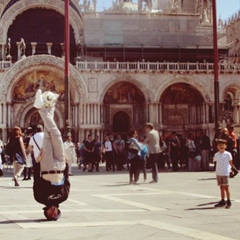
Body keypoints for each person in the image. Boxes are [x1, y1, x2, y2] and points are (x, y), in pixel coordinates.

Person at [33, 89, 70, 221]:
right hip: (60, 164)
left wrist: (37, 162)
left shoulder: (40, 198)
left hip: (46, 165)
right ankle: (49, 106)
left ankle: (44, 108)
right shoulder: (64, 197)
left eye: (50, 214)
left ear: (46, 212)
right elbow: (67, 179)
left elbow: (36, 180)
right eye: (56, 214)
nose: (53, 212)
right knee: (56, 135)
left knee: (48, 136)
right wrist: (67, 163)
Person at [213, 139, 234, 209]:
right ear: (217, 147)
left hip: (225, 172)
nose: (221, 146)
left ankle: (228, 200)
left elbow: (231, 163)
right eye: (219, 145)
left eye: (223, 145)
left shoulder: (228, 154)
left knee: (226, 187)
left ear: (226, 146)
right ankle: (222, 200)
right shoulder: (216, 154)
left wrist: (231, 170)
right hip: (219, 172)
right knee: (221, 187)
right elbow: (215, 161)